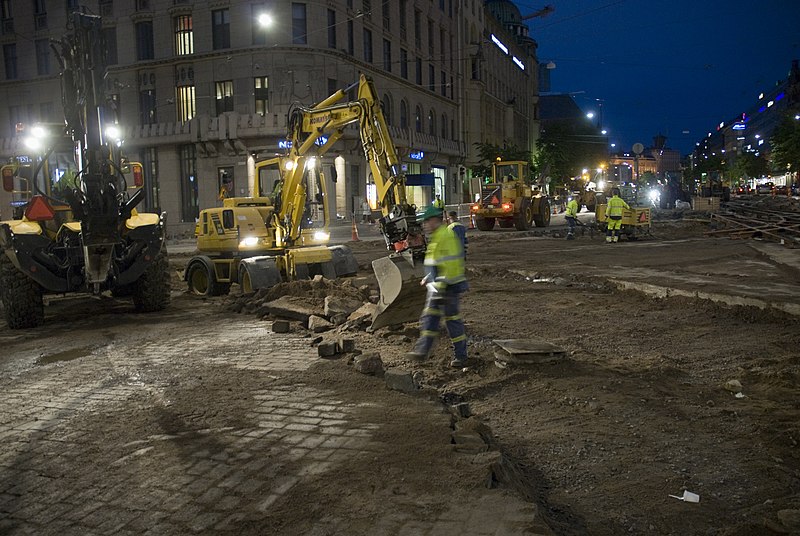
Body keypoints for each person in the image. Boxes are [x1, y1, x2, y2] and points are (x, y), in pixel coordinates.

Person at [405, 205, 468, 368]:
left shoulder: (444, 237)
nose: (424, 225)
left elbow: (451, 263)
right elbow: (439, 262)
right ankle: (456, 356)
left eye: (426, 221)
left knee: (438, 319)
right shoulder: (439, 236)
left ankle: (424, 351)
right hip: (442, 285)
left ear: (435, 220)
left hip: (444, 287)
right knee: (443, 320)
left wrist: (439, 285)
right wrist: (429, 276)